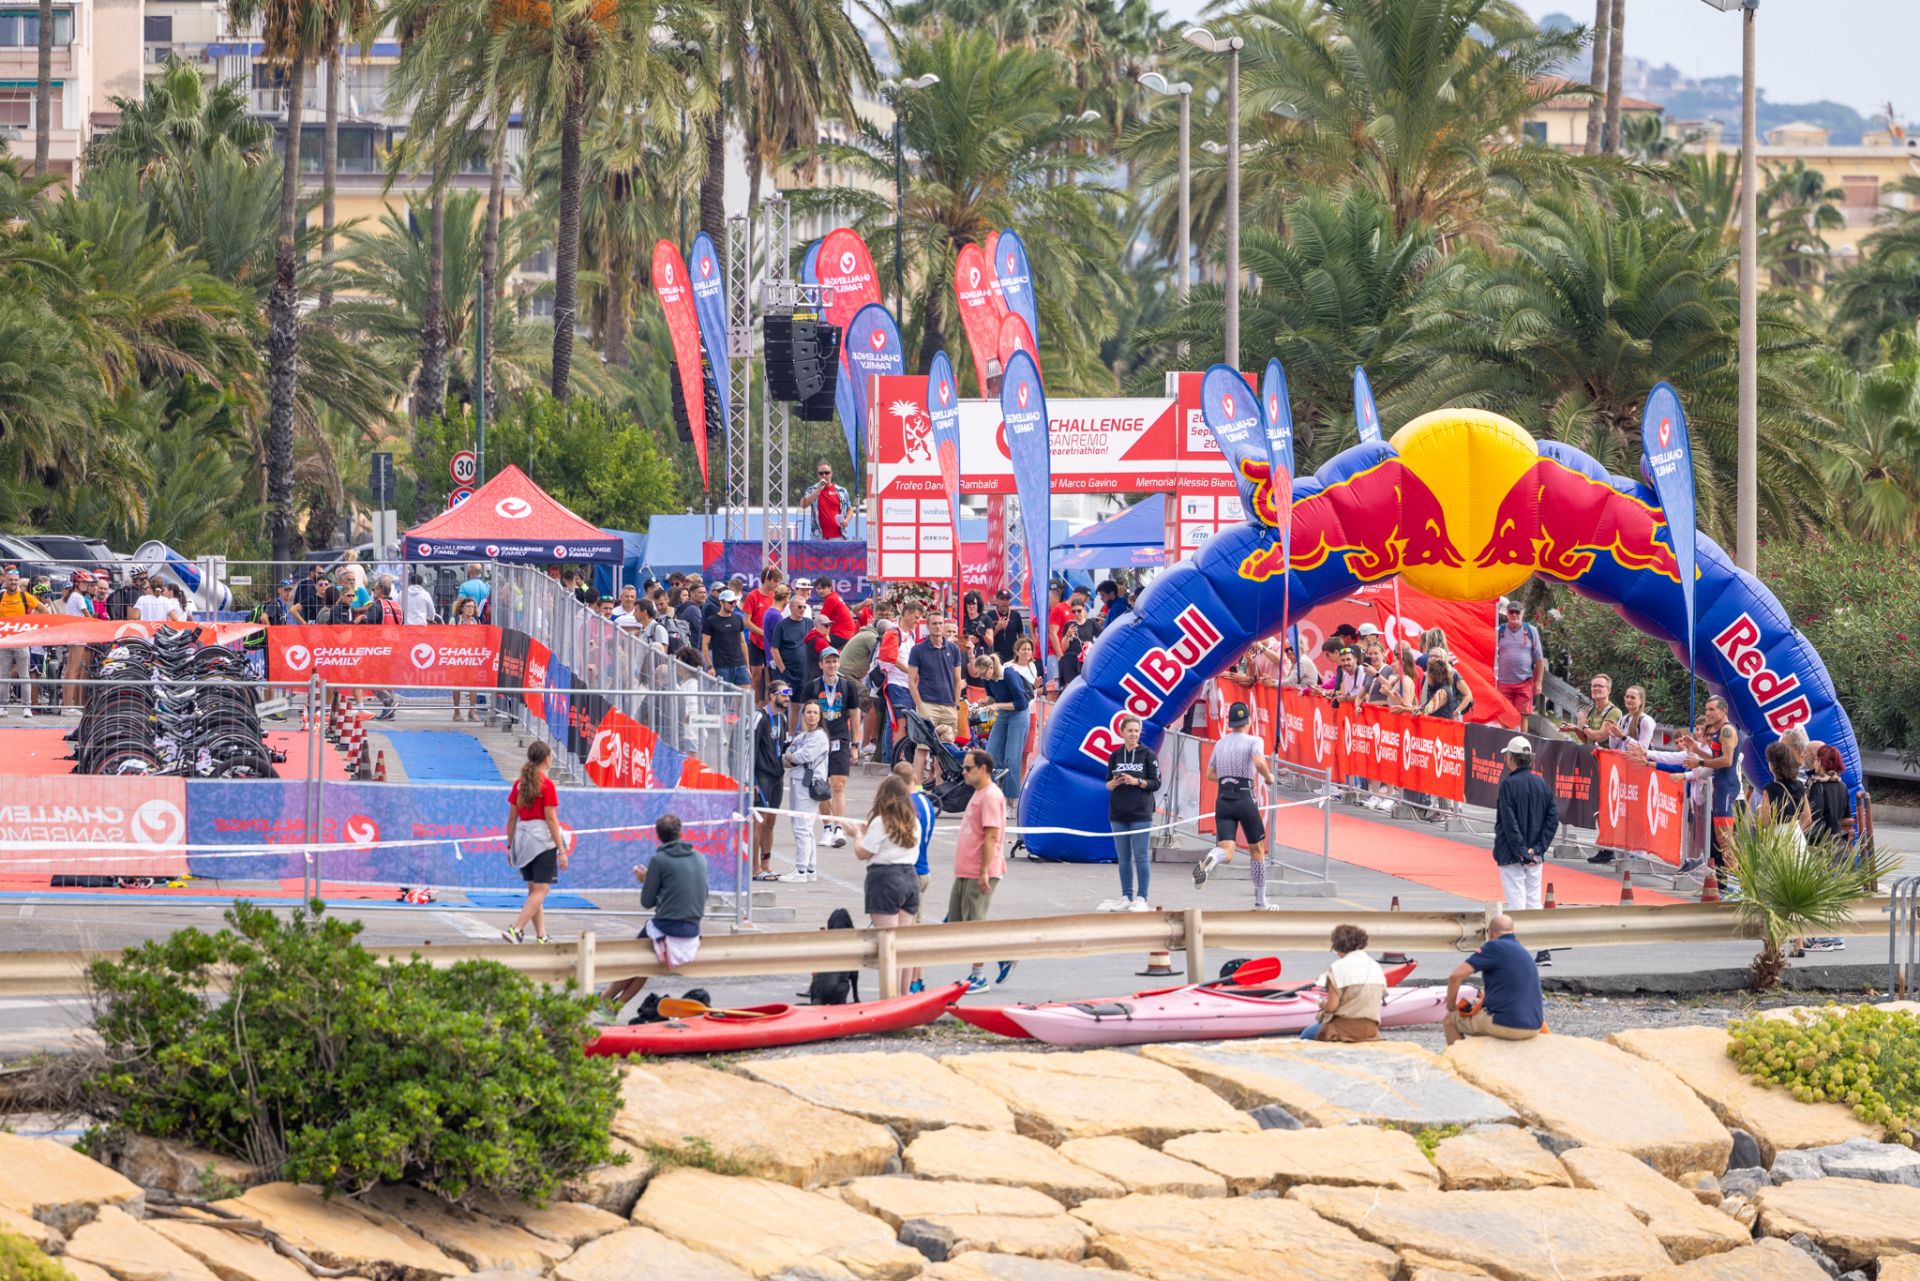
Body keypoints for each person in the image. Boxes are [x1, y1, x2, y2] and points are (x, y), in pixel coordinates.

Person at [600, 813, 710, 1019]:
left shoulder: (660, 860)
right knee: (645, 966)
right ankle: (614, 1005)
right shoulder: (699, 857)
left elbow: (647, 901)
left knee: (636, 959)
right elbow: (702, 893)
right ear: (681, 831)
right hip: (693, 928)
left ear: (658, 836)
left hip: (667, 926)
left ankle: (605, 998)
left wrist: (646, 879)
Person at [838, 774, 922, 994]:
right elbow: (892, 840)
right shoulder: (913, 822)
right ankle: (903, 995)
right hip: (910, 877)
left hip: (886, 879)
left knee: (887, 944)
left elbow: (862, 852)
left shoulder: (881, 821)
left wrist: (857, 835)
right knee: (902, 943)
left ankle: (890, 996)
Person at [1194, 702, 1279, 908]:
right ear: (1248, 721)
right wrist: (1268, 777)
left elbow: (1210, 774)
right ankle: (1261, 901)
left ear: (1230, 723)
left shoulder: (1220, 743)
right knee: (1257, 849)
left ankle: (1213, 857)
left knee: (1227, 851)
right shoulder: (1254, 740)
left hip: (1224, 798)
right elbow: (1259, 762)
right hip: (1244, 796)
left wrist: (1228, 778)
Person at [952, 746, 1009, 993]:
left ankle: (979, 976)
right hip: (966, 868)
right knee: (956, 921)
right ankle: (1002, 953)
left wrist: (984, 870)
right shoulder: (978, 792)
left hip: (980, 869)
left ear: (983, 769)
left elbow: (991, 836)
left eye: (968, 768)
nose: (963, 772)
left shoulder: (990, 796)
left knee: (975, 923)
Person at [504, 741, 567, 944]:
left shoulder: (519, 784)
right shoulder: (547, 785)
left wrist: (510, 846)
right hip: (541, 841)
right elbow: (551, 819)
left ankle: (541, 936)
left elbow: (512, 818)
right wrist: (561, 849)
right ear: (547, 759)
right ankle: (516, 929)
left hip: (522, 838)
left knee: (534, 892)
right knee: (542, 890)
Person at [1444, 913, 1543, 1043]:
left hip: (1505, 1024)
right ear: (1513, 931)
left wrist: (1451, 1007)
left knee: (1450, 1020)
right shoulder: (1522, 950)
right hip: (1535, 1025)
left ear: (1490, 932)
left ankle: (1457, 1056)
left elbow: (1455, 976)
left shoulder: (1493, 947)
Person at [1493, 735, 1557, 935]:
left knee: (1516, 901)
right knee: (1533, 901)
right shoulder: (1542, 784)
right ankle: (1539, 943)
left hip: (1512, 854)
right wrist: (1537, 849)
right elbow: (1552, 820)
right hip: (1535, 854)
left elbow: (1509, 822)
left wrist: (1521, 850)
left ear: (1511, 757)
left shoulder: (1508, 785)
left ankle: (1519, 943)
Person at [801, 648, 862, 847]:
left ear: (839, 663)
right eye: (827, 662)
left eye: (835, 661)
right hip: (818, 740)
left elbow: (854, 714)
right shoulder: (812, 687)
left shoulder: (847, 686)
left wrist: (855, 744)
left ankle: (838, 828)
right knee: (822, 786)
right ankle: (827, 827)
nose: (832, 665)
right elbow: (805, 715)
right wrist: (805, 742)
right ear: (821, 664)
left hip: (840, 739)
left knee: (838, 784)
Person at [1676, 695, 1739, 887]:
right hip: (1720, 786)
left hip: (1726, 786)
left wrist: (1700, 762)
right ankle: (1730, 881)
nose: (1708, 714)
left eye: (1712, 710)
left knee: (1725, 839)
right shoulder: (1718, 731)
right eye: (1706, 710)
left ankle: (1738, 883)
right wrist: (1696, 749)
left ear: (1724, 710)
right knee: (1720, 838)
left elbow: (1727, 761)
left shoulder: (1727, 730)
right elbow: (1715, 757)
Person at [1103, 715, 1160, 912]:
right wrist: (1114, 783)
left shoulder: (1148, 755)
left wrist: (1137, 782)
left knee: (1141, 855)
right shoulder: (1115, 755)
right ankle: (1126, 896)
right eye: (1130, 731)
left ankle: (1142, 896)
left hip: (1140, 812)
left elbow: (1156, 782)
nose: (1134, 734)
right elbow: (1107, 784)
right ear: (1122, 732)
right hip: (1118, 812)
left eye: (1137, 731)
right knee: (1123, 857)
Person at [1300, 924, 1387, 1042]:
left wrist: (1322, 1004)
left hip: (1342, 1029)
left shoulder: (1337, 967)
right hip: (1370, 1031)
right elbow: (1382, 994)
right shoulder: (1376, 966)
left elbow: (1331, 1007)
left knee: (1307, 1033)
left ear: (1338, 947)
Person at [782, 701, 829, 883]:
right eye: (808, 712)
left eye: (815, 713)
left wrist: (791, 757)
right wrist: (790, 757)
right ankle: (810, 868)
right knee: (804, 827)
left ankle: (800, 870)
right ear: (803, 715)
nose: (811, 716)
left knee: (802, 827)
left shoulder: (820, 737)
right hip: (796, 780)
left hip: (809, 783)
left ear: (820, 716)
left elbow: (803, 756)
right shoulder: (801, 736)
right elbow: (788, 753)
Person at [975, 652, 1032, 803]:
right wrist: (985, 702)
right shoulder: (988, 679)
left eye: (983, 674)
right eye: (979, 675)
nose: (982, 678)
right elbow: (991, 698)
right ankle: (993, 793)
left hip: (1019, 714)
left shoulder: (1008, 674)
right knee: (991, 754)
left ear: (991, 667)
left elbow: (1021, 704)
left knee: (1011, 758)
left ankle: (1011, 799)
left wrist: (997, 705)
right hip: (1003, 714)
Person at [752, 684, 791, 880]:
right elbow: (748, 747)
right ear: (772, 695)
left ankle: (766, 864)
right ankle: (754, 868)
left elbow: (781, 746)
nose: (787, 697)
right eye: (784, 693)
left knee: (771, 822)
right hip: (761, 776)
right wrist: (748, 779)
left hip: (777, 776)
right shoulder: (759, 716)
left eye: (789, 694)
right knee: (758, 822)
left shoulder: (782, 718)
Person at [908, 612, 963, 747]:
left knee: (947, 750)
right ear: (927, 626)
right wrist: (920, 705)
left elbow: (957, 680)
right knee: (923, 748)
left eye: (940, 623)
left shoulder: (954, 649)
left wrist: (956, 704)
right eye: (934, 623)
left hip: (949, 706)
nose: (938, 626)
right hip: (928, 705)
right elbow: (911, 681)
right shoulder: (917, 650)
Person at [1493, 602, 1544, 724]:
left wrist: (1538, 682)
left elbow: (1539, 658)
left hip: (1524, 681)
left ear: (1522, 613)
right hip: (1503, 682)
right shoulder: (1499, 631)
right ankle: (1504, 736)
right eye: (1511, 612)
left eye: (1517, 612)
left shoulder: (1531, 631)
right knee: (1504, 715)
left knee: (1522, 716)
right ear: (1507, 613)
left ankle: (1522, 737)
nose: (1514, 614)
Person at [743, 566, 782, 699]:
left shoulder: (775, 596)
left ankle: (767, 704)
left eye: (778, 581)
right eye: (775, 581)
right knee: (756, 677)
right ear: (767, 580)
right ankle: (754, 705)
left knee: (769, 678)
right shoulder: (753, 596)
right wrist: (764, 633)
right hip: (756, 643)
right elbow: (746, 621)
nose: (777, 584)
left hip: (770, 644)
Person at [1806, 744, 1853, 848]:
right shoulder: (1842, 785)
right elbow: (1846, 816)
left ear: (1823, 762)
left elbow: (1814, 816)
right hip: (1838, 841)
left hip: (1820, 843)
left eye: (1816, 759)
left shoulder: (1816, 784)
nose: (1814, 763)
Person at [701, 589, 750, 686]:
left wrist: (747, 666)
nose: (733, 604)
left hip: (740, 665)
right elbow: (705, 645)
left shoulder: (738, 619)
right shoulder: (711, 621)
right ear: (721, 602)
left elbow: (743, 642)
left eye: (735, 602)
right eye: (730, 602)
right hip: (721, 667)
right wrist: (710, 666)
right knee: (723, 695)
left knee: (747, 693)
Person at [1560, 674, 1623, 746]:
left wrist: (1584, 726)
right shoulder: (1592, 710)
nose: (1596, 688)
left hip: (1605, 753)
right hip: (1592, 752)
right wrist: (1576, 729)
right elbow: (1588, 740)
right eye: (1593, 686)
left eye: (1600, 686)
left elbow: (1600, 737)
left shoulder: (1614, 711)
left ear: (1608, 690)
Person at [449, 596, 484, 719]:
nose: (470, 609)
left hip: (472, 656)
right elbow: (449, 636)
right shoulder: (455, 620)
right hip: (458, 656)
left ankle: (472, 711)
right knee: (457, 683)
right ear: (462, 608)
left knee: (473, 683)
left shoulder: (476, 621)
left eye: (472, 607)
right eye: (468, 607)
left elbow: (480, 637)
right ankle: (456, 712)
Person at [801, 460, 852, 540]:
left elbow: (850, 509)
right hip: (818, 537)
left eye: (827, 473)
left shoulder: (841, 491)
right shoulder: (812, 490)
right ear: (818, 475)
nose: (824, 475)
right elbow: (803, 504)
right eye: (821, 473)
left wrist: (846, 520)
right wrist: (818, 490)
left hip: (838, 537)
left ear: (831, 474)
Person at [986, 588, 1024, 662]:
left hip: (1012, 656)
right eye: (1002, 599)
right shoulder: (989, 615)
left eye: (1007, 599)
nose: (1004, 602)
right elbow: (987, 639)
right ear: (997, 600)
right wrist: (997, 628)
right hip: (995, 656)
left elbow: (1021, 635)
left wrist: (1021, 652)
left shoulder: (1016, 615)